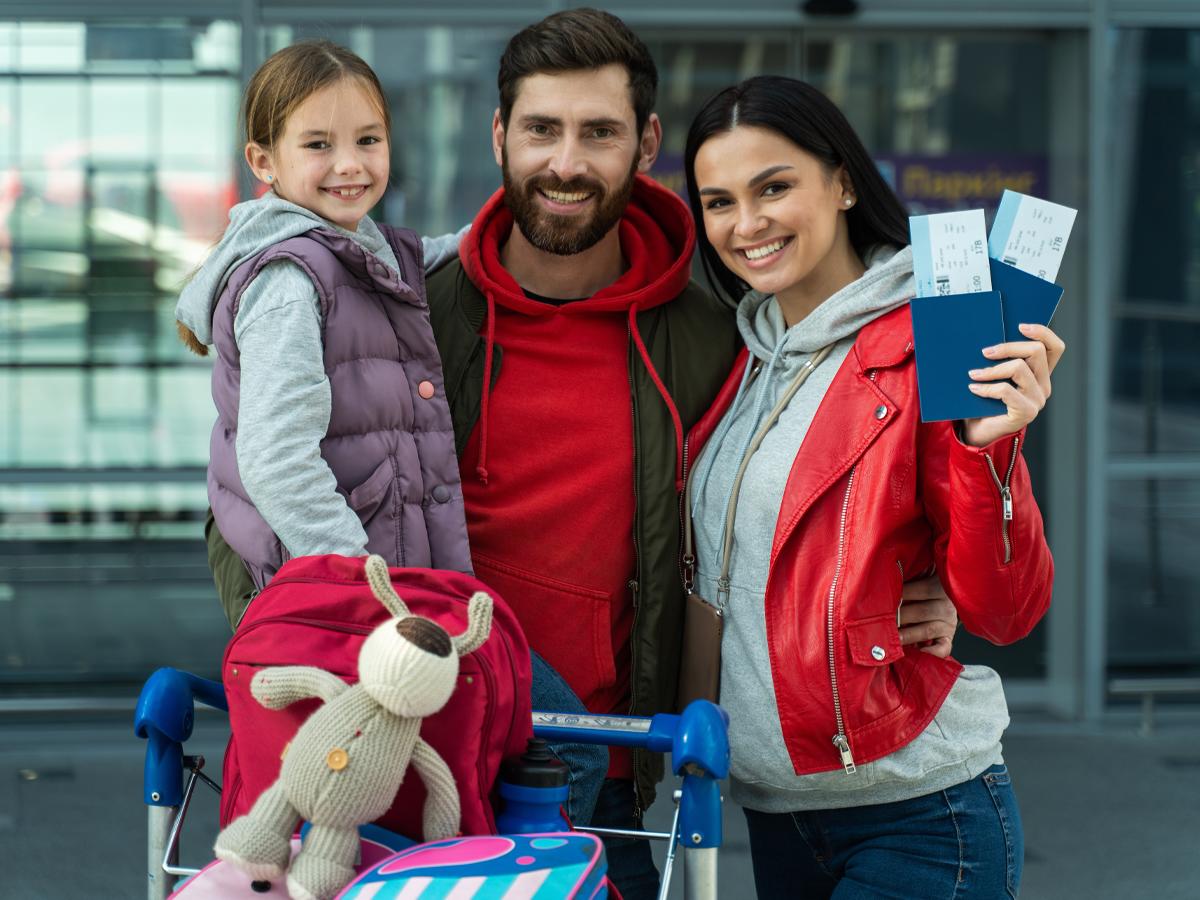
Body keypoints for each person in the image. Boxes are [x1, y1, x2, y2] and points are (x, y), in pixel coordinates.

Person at [202, 13, 962, 898]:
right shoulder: (412, 311)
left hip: (597, 780)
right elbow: (249, 492)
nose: (565, 162)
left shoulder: (712, 331)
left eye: (598, 132)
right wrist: (332, 657)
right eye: (540, 130)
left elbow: (804, 474)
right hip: (402, 760)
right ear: (499, 136)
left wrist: (923, 579)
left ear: (644, 144)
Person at [682, 74, 1063, 898]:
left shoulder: (935, 342)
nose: (746, 224)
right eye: (719, 201)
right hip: (776, 815)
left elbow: (1007, 610)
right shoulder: (739, 358)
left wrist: (990, 454)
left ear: (845, 182)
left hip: (920, 815)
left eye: (774, 187)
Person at [175, 41, 472, 599]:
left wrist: (500, 232)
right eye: (318, 144)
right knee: (523, 687)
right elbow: (276, 462)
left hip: (365, 577)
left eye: (368, 140)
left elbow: (419, 256)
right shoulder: (288, 282)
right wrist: (368, 588)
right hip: (338, 594)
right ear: (264, 162)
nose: (351, 164)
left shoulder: (354, 242)